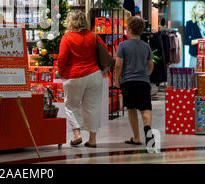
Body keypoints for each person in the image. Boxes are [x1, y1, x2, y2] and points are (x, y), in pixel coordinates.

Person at [57, 11, 107, 148]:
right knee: (93, 107)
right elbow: (104, 50)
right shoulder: (93, 35)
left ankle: (77, 135)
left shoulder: (67, 38)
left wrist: (60, 72)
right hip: (94, 74)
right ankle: (92, 139)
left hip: (74, 76)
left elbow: (61, 58)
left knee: (71, 106)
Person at [115, 16, 154, 147]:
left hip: (128, 81)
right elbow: (150, 65)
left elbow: (118, 64)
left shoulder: (123, 45)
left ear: (129, 29)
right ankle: (147, 127)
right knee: (146, 108)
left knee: (131, 109)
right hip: (143, 81)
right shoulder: (146, 46)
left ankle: (136, 138)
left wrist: (117, 80)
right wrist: (146, 75)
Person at [185, 1, 205, 68]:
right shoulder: (189, 23)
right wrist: (199, 40)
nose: (202, 8)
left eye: (203, 7)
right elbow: (186, 41)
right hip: (195, 55)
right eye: (199, 7)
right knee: (195, 75)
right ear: (194, 9)